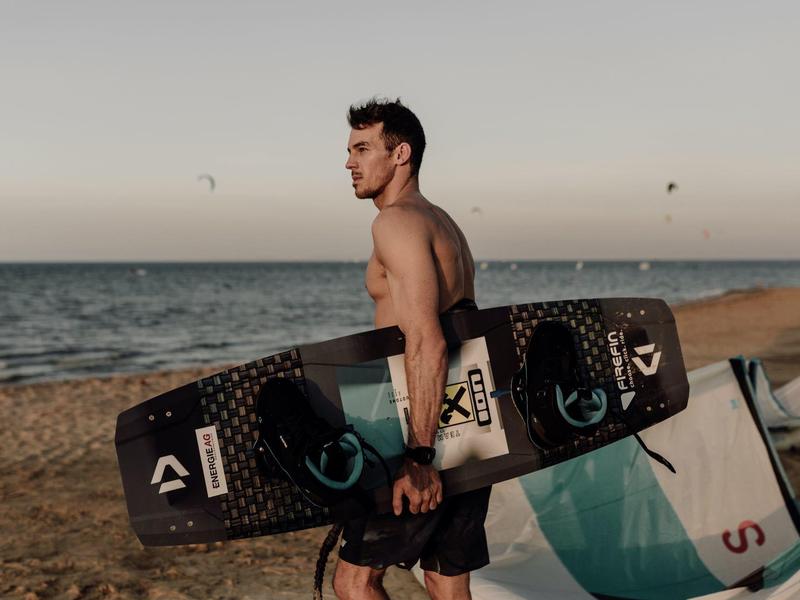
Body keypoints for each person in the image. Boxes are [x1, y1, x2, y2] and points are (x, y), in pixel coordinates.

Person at [332, 98, 491, 600]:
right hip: (474, 412)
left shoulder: (395, 222)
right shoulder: (442, 222)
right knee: (446, 580)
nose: (349, 163)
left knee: (356, 581)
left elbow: (426, 338)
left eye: (362, 148)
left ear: (400, 153)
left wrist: (419, 457)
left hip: (420, 421)